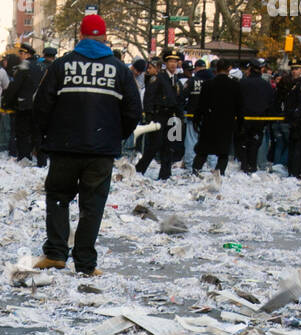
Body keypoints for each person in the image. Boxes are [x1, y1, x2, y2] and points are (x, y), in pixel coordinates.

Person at [32, 14, 140, 277]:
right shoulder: (120, 70)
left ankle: (56, 253)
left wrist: (47, 136)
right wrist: (116, 136)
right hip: (101, 150)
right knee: (92, 205)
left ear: (80, 36)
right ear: (104, 37)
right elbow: (133, 110)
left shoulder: (61, 66)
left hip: (65, 146)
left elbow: (42, 104)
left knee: (58, 197)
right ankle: (85, 263)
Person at [136, 48, 185, 179]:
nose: (173, 64)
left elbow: (178, 99)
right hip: (159, 115)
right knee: (155, 144)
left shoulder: (176, 79)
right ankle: (139, 169)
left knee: (169, 145)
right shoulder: (158, 78)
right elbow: (149, 97)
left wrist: (180, 116)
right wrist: (149, 115)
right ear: (166, 63)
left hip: (172, 116)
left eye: (175, 61)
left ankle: (165, 174)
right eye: (171, 62)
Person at [192, 58, 239, 174]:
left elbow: (201, 105)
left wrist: (196, 120)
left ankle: (196, 171)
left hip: (209, 122)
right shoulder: (235, 85)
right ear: (229, 69)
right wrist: (239, 124)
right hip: (226, 123)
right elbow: (239, 106)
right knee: (223, 153)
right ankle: (219, 172)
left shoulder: (208, 84)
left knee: (202, 151)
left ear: (216, 69)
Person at [3, 42, 44, 163]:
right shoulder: (41, 66)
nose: (19, 55)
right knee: (38, 134)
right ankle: (41, 160)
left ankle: (24, 159)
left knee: (23, 133)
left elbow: (14, 87)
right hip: (39, 106)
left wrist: (6, 103)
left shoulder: (24, 66)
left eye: (21, 53)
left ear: (26, 54)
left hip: (24, 106)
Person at [237, 58, 274, 173]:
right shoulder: (266, 85)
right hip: (260, 118)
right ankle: (252, 164)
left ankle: (245, 163)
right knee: (255, 142)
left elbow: (238, 100)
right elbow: (271, 102)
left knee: (243, 142)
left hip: (244, 118)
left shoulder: (242, 83)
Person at [281, 60, 301, 177]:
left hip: (300, 122)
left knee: (298, 148)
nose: (294, 71)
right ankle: (293, 170)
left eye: (296, 69)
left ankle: (297, 171)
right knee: (294, 147)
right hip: (295, 121)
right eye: (293, 69)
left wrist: (297, 118)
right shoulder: (295, 84)